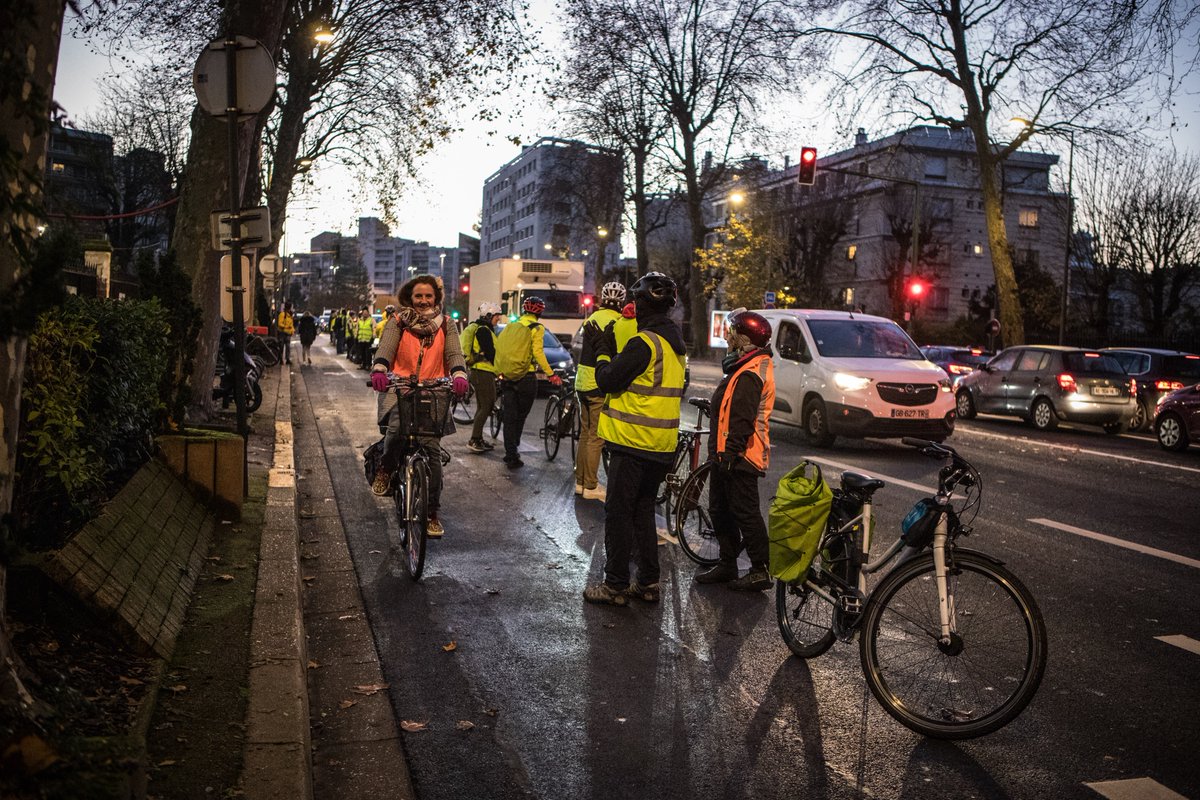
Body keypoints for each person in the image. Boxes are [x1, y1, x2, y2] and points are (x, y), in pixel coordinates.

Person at [583, 272, 686, 606]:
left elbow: (608, 380)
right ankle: (648, 582)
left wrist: (601, 350)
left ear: (642, 304)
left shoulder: (645, 343)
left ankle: (614, 585)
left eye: (635, 301)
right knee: (643, 512)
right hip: (661, 444)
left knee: (618, 513)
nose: (633, 307)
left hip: (632, 442)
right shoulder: (675, 345)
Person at [369, 276, 469, 538]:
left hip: (434, 392)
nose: (424, 301)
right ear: (409, 299)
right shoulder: (398, 322)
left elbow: (454, 354)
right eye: (418, 296)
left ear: (436, 298)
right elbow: (386, 349)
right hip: (400, 388)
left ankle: (432, 513)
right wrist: (380, 369)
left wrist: (459, 374)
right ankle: (386, 469)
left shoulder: (447, 325)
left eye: (428, 296)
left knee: (433, 454)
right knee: (396, 431)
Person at [694, 309, 776, 591]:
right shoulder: (742, 367)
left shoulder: (751, 373)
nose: (727, 338)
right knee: (719, 510)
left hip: (741, 457)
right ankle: (727, 563)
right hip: (726, 454)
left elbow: (743, 419)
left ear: (743, 340)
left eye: (731, 334)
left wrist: (731, 454)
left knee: (745, 512)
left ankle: (760, 569)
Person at [493, 296, 562, 469]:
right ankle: (513, 448)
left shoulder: (512, 325)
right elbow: (538, 352)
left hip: (507, 375)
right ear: (540, 312)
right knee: (520, 416)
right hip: (526, 376)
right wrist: (550, 373)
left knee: (509, 416)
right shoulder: (537, 327)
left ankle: (510, 453)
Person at [573, 281, 627, 500]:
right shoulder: (618, 322)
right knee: (596, 437)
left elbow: (577, 348)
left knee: (585, 434)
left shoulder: (590, 319)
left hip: (582, 383)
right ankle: (591, 485)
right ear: (621, 302)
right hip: (598, 384)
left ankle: (580, 482)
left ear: (602, 299)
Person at [460, 301, 504, 453]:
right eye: (496, 316)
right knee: (487, 405)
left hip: (480, 371)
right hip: (483, 371)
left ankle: (477, 438)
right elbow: (491, 353)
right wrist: (500, 371)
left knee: (482, 406)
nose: (498, 319)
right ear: (489, 315)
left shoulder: (484, 329)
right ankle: (475, 439)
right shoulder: (484, 330)